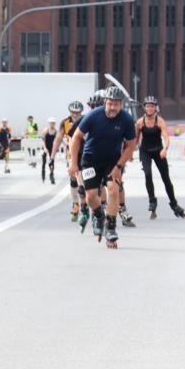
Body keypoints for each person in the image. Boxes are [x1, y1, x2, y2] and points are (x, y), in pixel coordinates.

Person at [68, 86, 137, 249]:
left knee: (113, 190)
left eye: (116, 104)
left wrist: (119, 166)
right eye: (110, 104)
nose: (113, 108)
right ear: (105, 102)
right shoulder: (93, 115)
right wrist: (73, 162)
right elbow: (76, 137)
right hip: (90, 159)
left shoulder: (126, 119)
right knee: (91, 196)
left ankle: (111, 228)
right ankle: (98, 214)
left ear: (121, 105)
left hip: (112, 161)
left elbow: (131, 144)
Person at [135, 96, 185, 219]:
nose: (150, 108)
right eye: (147, 106)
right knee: (147, 174)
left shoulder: (160, 121)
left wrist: (165, 149)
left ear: (155, 108)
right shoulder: (139, 122)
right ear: (144, 108)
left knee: (166, 179)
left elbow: (166, 137)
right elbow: (135, 139)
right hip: (145, 152)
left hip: (158, 151)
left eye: (152, 106)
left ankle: (174, 204)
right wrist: (132, 152)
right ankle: (152, 201)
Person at [49, 100, 86, 221]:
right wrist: (52, 157)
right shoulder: (65, 123)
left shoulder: (86, 120)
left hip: (86, 153)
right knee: (74, 180)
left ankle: (87, 204)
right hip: (71, 154)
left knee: (85, 181)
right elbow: (58, 140)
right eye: (73, 113)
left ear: (81, 112)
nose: (75, 115)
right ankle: (76, 205)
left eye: (77, 113)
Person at [41, 117, 58, 184]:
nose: (52, 124)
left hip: (52, 148)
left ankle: (51, 175)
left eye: (53, 123)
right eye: (51, 123)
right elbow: (43, 141)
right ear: (49, 123)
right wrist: (45, 148)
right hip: (45, 147)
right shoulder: (46, 130)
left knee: (51, 163)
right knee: (44, 162)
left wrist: (66, 145)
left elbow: (59, 139)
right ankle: (43, 176)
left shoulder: (56, 131)